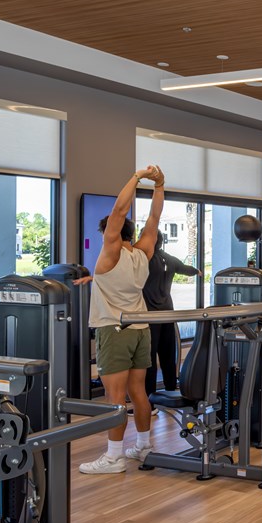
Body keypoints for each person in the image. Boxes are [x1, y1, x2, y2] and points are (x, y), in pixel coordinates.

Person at [78, 165, 166, 474]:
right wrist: (159, 186)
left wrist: (136, 177)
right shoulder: (142, 253)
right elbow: (154, 219)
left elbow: (119, 209)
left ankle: (114, 456)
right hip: (140, 329)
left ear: (110, 234)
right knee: (138, 393)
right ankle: (143, 447)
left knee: (115, 396)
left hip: (114, 330)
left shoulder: (110, 252)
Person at [142, 232, 201, 397]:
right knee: (168, 355)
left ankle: (150, 395)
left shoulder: (143, 259)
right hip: (168, 313)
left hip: (150, 316)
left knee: (149, 358)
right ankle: (170, 390)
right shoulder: (168, 258)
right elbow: (186, 270)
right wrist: (197, 271)